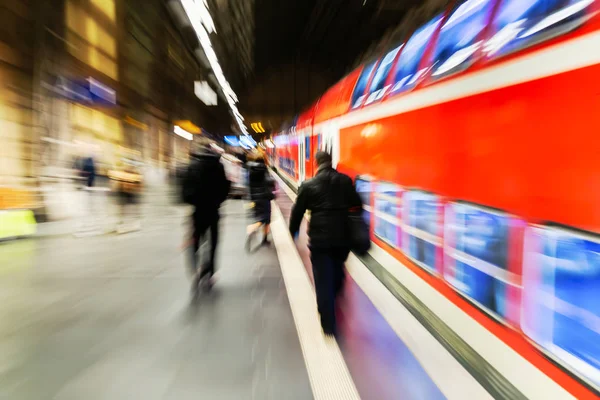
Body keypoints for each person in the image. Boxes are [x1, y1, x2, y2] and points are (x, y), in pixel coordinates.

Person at [289, 151, 362, 336]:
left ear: (316, 163)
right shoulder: (345, 181)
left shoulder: (308, 185)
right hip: (342, 239)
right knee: (338, 271)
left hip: (320, 240)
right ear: (331, 162)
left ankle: (328, 324)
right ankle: (336, 293)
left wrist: (293, 231)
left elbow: (297, 212)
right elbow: (357, 204)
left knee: (322, 281)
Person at [182, 138, 230, 292]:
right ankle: (210, 272)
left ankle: (196, 271)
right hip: (214, 211)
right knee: (213, 243)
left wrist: (193, 201)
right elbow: (225, 188)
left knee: (195, 241)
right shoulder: (219, 166)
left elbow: (185, 191)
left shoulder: (192, 166)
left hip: (197, 212)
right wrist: (217, 201)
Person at [245, 152, 275, 248]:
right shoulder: (263, 168)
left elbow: (247, 183)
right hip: (264, 197)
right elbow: (269, 181)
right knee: (266, 218)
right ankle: (254, 229)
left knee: (258, 216)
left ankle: (264, 239)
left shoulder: (249, 169)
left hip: (254, 197)